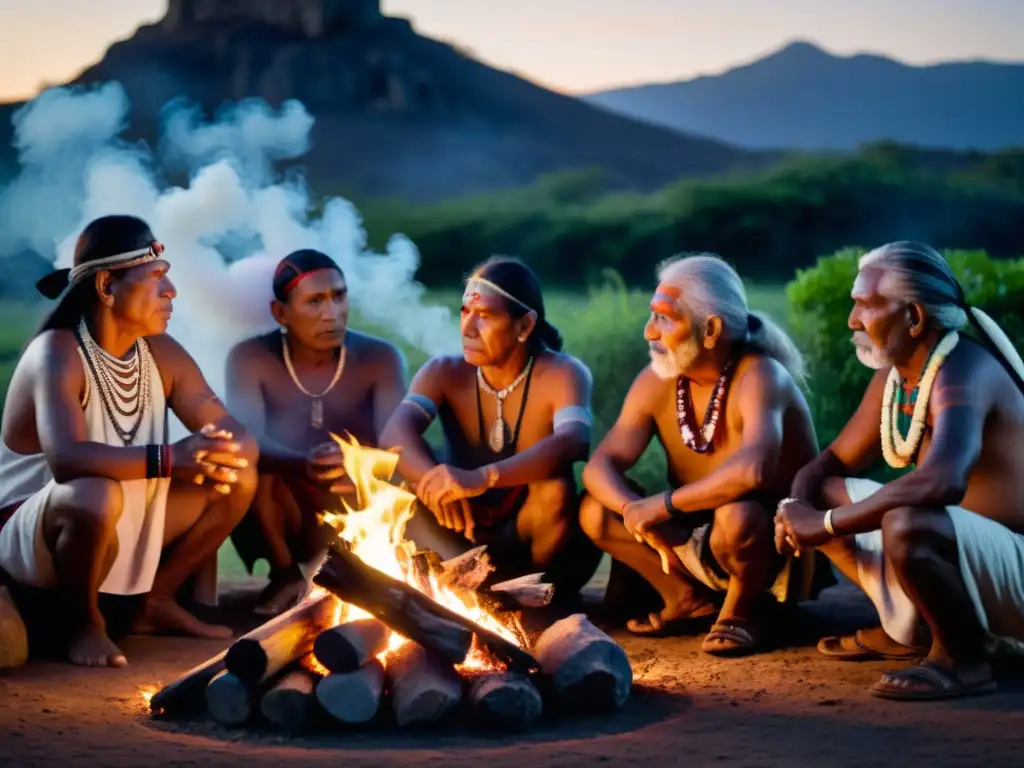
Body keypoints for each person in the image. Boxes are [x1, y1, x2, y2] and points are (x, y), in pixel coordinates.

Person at [0, 214, 259, 668]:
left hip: (118, 508)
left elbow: (231, 432)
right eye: (157, 276)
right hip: (30, 529)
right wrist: (171, 458)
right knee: (95, 492)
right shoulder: (57, 352)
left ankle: (153, 601)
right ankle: (83, 624)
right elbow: (67, 461)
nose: (171, 291)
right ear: (106, 287)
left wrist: (225, 445)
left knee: (237, 473)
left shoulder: (162, 353)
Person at [776, 240, 1024, 700]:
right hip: (977, 558)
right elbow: (829, 464)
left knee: (909, 519)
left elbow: (941, 481)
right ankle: (912, 628)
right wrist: (794, 508)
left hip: (1017, 570)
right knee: (826, 491)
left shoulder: (962, 370)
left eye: (866, 306)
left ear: (913, 317)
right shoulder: (898, 376)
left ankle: (963, 660)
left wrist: (823, 525)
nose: (853, 321)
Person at [580, 254, 819, 656]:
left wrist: (665, 506)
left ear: (710, 330)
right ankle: (685, 599)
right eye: (651, 317)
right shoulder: (658, 381)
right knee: (596, 511)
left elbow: (754, 471)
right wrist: (637, 510)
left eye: (663, 319)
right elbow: (599, 466)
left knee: (738, 514)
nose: (648, 332)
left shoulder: (760, 376)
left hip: (772, 541)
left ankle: (741, 611)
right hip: (692, 534)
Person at [379, 257, 601, 598]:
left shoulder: (562, 372)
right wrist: (434, 482)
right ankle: (466, 593)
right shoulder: (443, 371)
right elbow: (394, 433)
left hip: (536, 542)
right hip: (461, 531)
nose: (467, 328)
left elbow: (573, 441)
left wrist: (482, 478)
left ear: (525, 326)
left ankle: (534, 598)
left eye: (484, 316)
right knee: (402, 479)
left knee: (553, 489)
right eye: (465, 312)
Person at [225, 249, 407, 614]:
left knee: (401, 477)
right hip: (282, 507)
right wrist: (301, 463)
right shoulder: (250, 357)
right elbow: (248, 437)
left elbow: (399, 443)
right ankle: (286, 576)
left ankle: (361, 574)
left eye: (339, 296)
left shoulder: (380, 358)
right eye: (315, 301)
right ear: (281, 313)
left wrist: (358, 463)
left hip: (354, 497)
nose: (332, 313)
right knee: (250, 468)